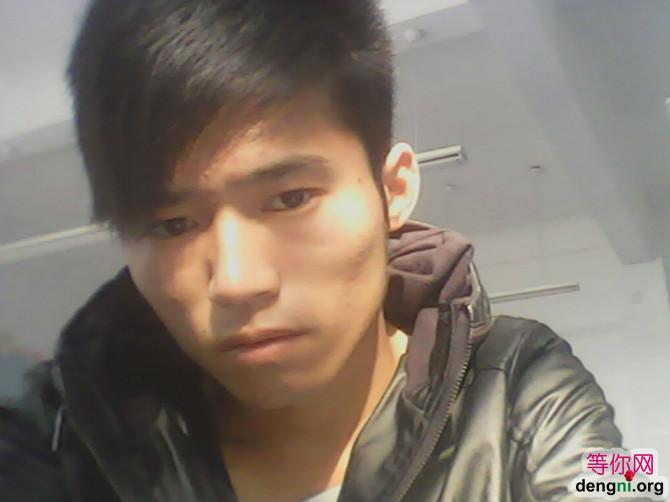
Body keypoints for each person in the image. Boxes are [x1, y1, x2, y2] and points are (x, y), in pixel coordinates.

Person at [0, 1, 628, 501]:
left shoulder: (524, 382)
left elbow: (629, 481)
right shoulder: (65, 433)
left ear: (393, 190)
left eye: (290, 198)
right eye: (170, 225)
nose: (237, 281)